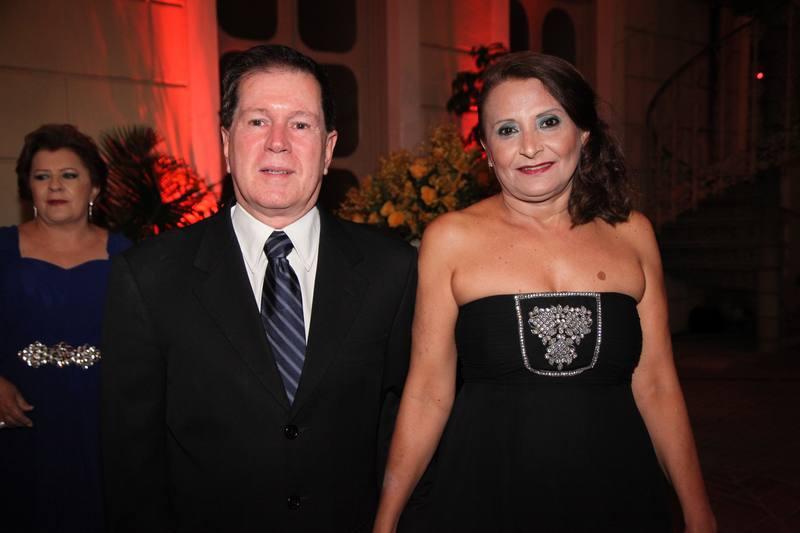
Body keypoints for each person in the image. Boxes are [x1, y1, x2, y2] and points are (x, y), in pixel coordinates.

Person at [373, 52, 716, 532]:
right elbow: (428, 392)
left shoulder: (633, 234)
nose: (530, 147)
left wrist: (698, 511)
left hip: (617, 492)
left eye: (548, 122)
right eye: (507, 130)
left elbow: (657, 384)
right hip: (485, 494)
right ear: (487, 150)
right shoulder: (449, 239)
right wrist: (386, 519)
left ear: (584, 133)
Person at [101, 44, 417, 532]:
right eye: (257, 121)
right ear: (226, 143)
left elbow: (404, 428)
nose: (277, 142)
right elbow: (131, 467)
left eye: (301, 124)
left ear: (328, 149)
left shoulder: (392, 270)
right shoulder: (149, 278)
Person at [0, 124, 132, 532]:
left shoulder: (128, 256)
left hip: (99, 421)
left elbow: (148, 347)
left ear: (94, 188)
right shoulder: (2, 249)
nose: (55, 186)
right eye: (42, 176)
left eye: (69, 175)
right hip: (17, 419)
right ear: (29, 188)